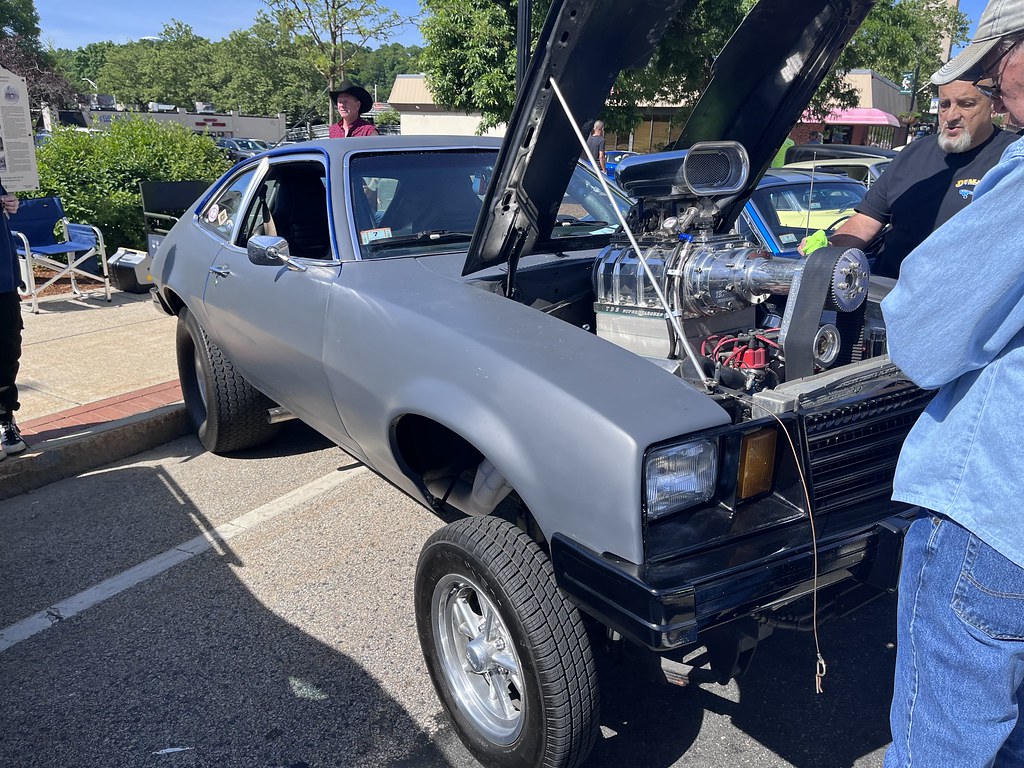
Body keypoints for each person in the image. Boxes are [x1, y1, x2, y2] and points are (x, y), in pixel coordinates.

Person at [880, 0, 1024, 764]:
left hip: (994, 510)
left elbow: (925, 337)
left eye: (995, 64)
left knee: (946, 748)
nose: (987, 88)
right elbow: (857, 233)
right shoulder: (910, 159)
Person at [799, 77, 1017, 277]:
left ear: (993, 105)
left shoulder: (1013, 158)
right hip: (886, 294)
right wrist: (830, 249)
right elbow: (867, 221)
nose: (951, 116)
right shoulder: (912, 153)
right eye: (945, 104)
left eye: (966, 104)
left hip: (960, 305)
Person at [0, 183, 25, 460]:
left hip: (3, 281)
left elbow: (7, 203)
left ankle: (6, 419)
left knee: (8, 350)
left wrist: (10, 203)